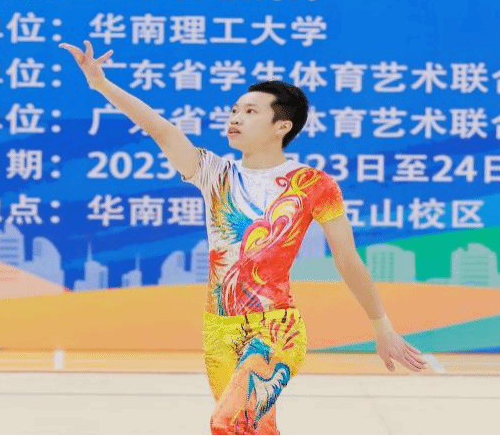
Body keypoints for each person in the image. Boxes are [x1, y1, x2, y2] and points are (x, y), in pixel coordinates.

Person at [59, 40, 427, 435]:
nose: (235, 118)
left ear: (282, 126)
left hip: (276, 329)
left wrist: (382, 328)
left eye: (250, 111)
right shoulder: (215, 174)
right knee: (251, 430)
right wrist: (101, 84)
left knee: (227, 421)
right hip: (218, 329)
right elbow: (162, 131)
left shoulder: (313, 185)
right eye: (235, 110)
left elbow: (348, 260)